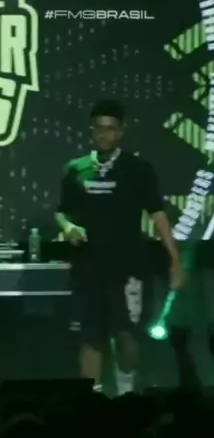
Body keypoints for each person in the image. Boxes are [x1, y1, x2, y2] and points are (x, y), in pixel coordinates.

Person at [55, 100, 185, 395]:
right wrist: (68, 227)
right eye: (99, 129)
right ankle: (92, 399)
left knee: (126, 334)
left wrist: (175, 261)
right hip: (87, 269)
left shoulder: (137, 168)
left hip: (128, 269)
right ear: (92, 131)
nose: (104, 134)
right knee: (90, 337)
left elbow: (159, 217)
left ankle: (127, 395)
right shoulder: (75, 169)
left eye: (111, 129)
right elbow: (62, 212)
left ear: (121, 132)